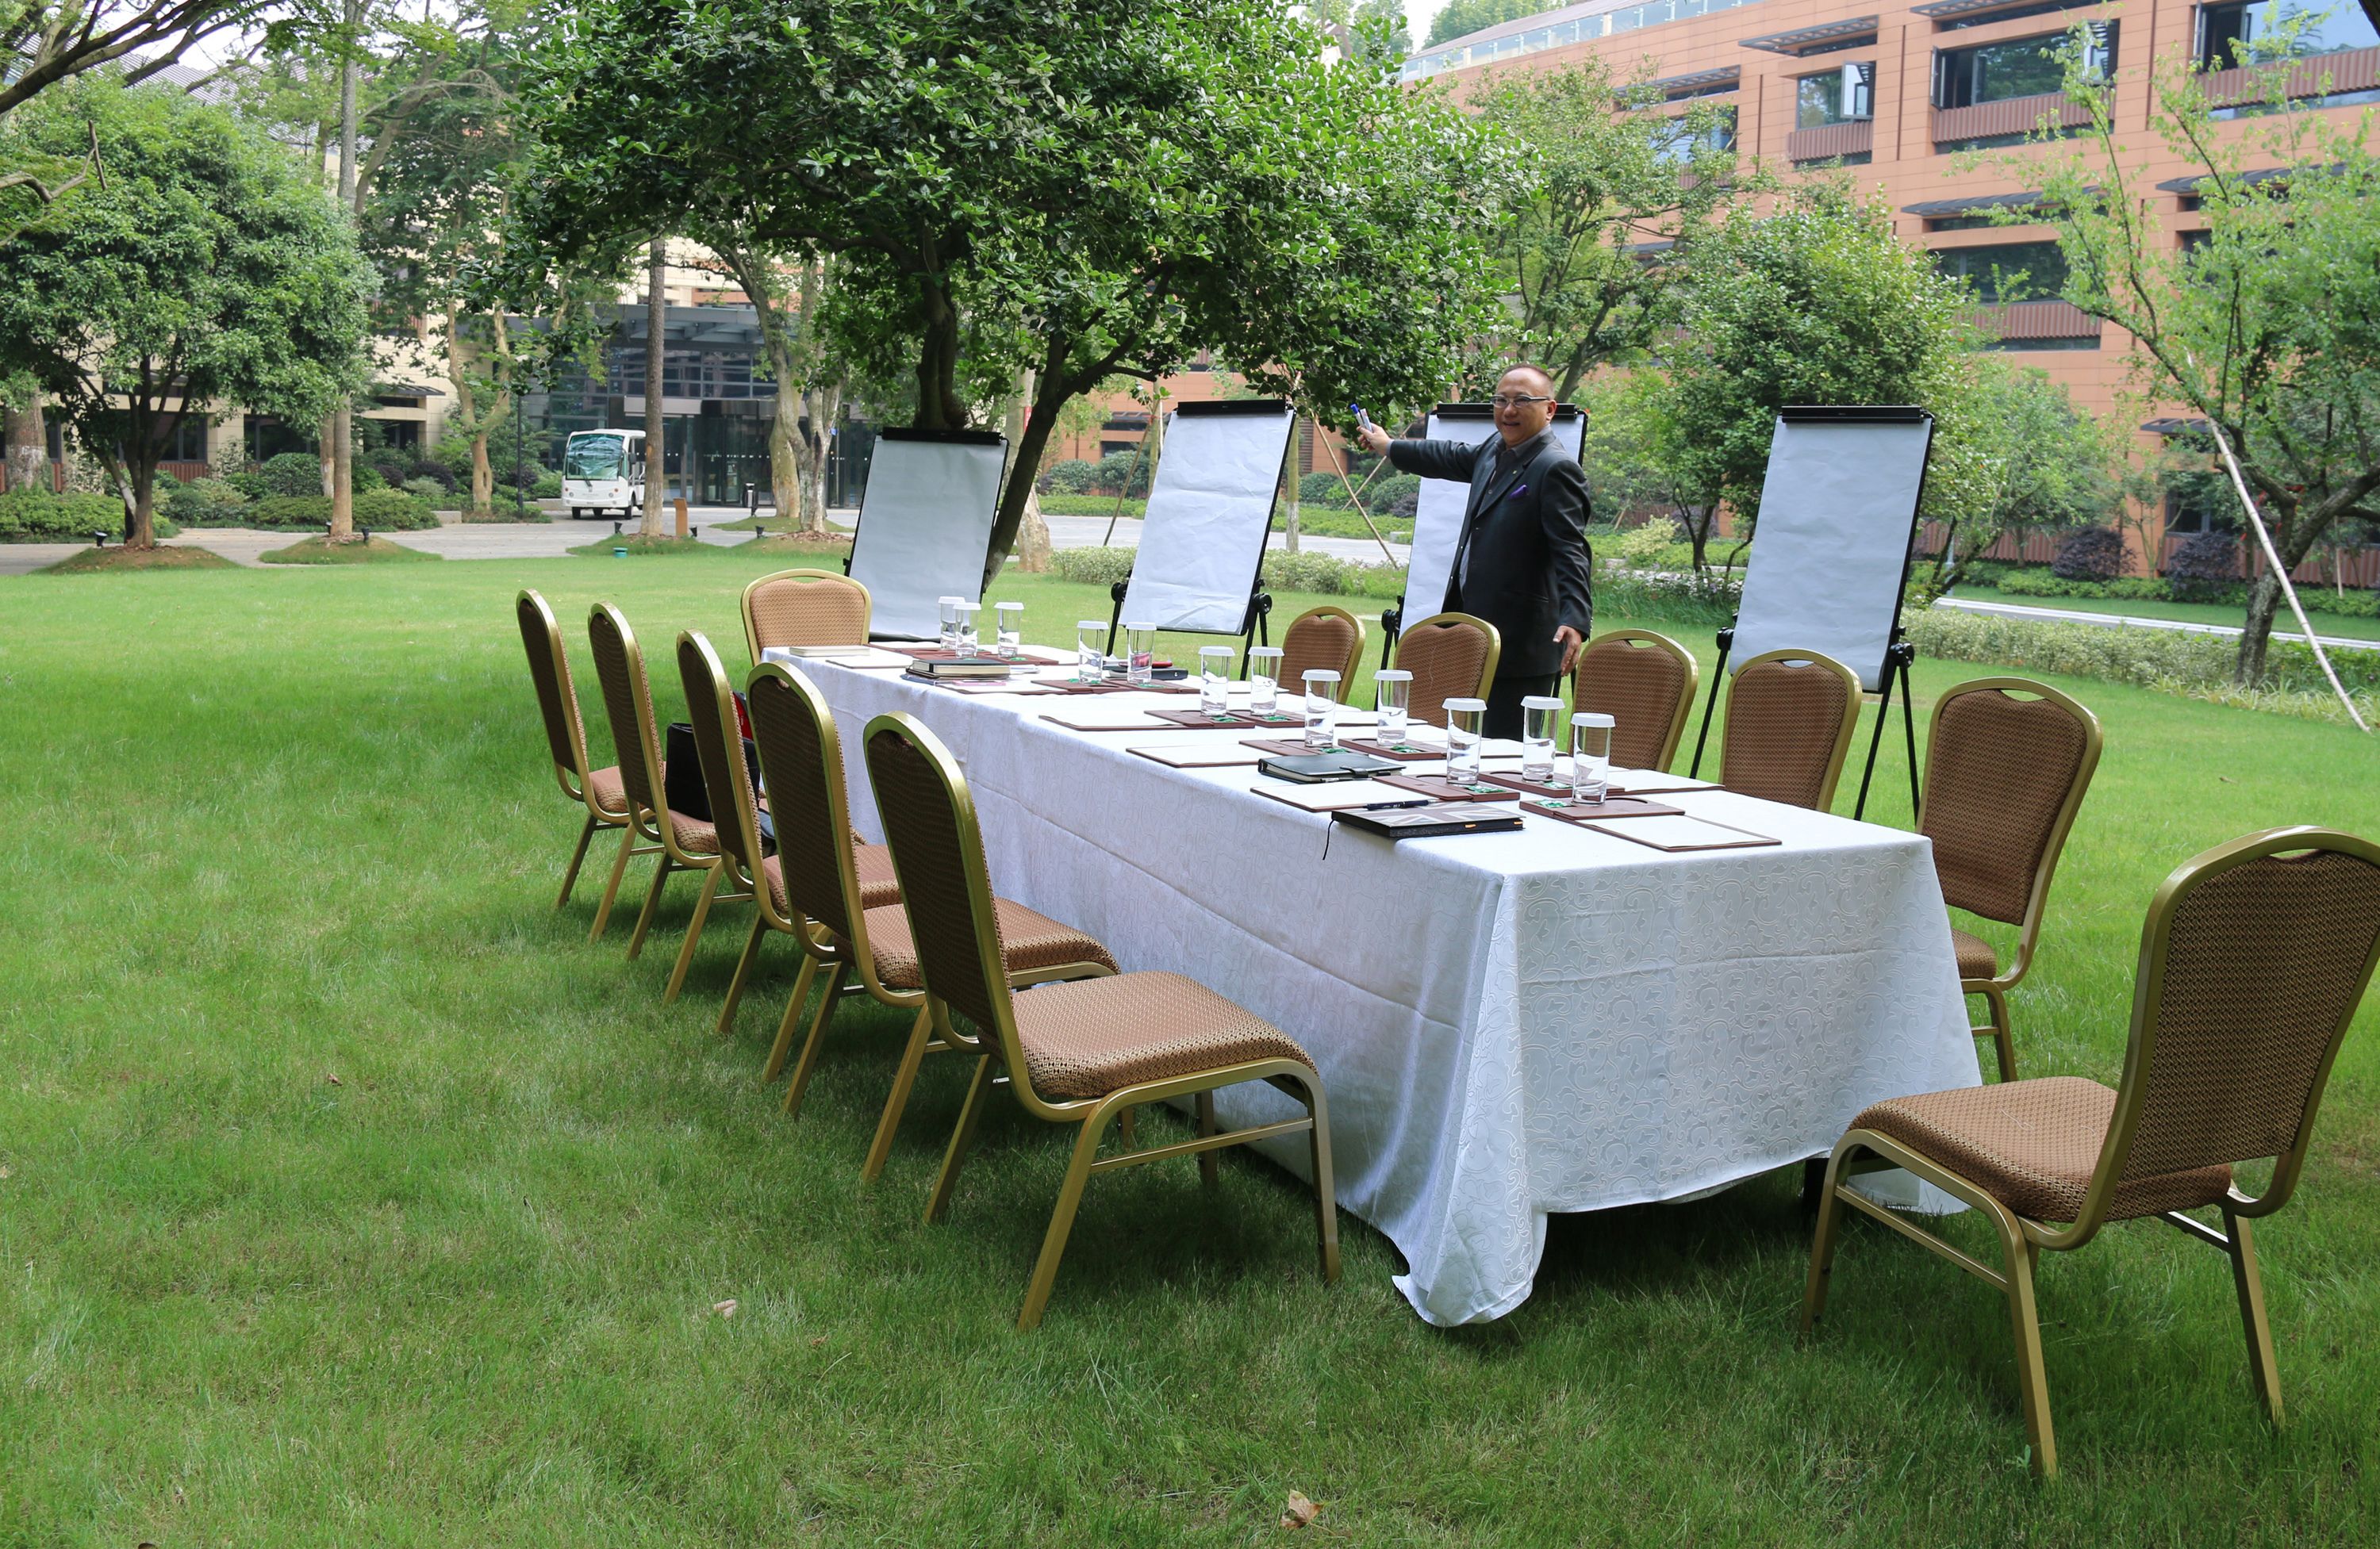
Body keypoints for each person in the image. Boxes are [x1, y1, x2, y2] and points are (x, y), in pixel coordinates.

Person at [1354, 365, 1592, 739]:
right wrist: (1389, 446)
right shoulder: (1494, 451)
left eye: (1521, 401)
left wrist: (1575, 618)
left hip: (1520, 645)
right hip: (1470, 632)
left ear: (1549, 409)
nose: (1508, 410)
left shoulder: (1555, 467)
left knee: (1505, 755)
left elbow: (1571, 549)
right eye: (1500, 400)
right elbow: (1446, 455)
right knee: (1459, 742)